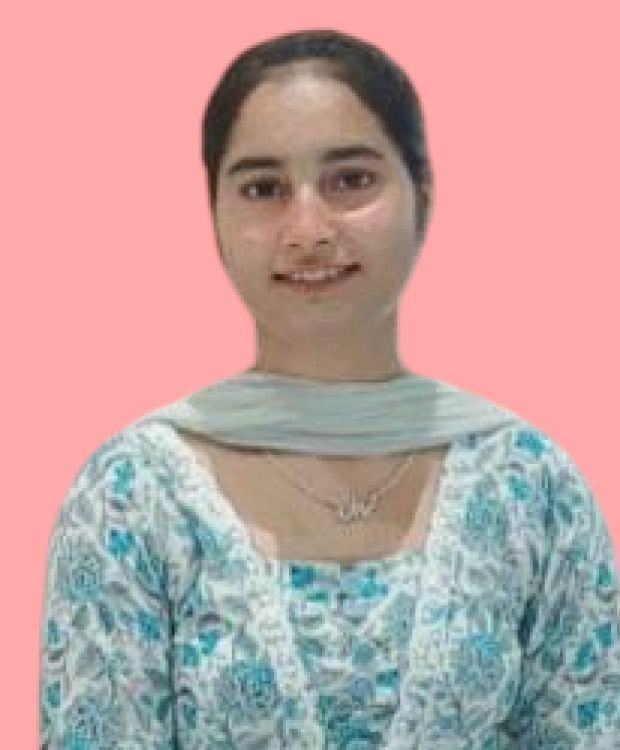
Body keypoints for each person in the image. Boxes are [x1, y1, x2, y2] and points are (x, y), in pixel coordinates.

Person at [39, 28, 620, 749]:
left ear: (423, 196)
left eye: (351, 181)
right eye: (264, 189)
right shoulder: (132, 497)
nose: (308, 229)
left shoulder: (531, 487)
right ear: (215, 217)